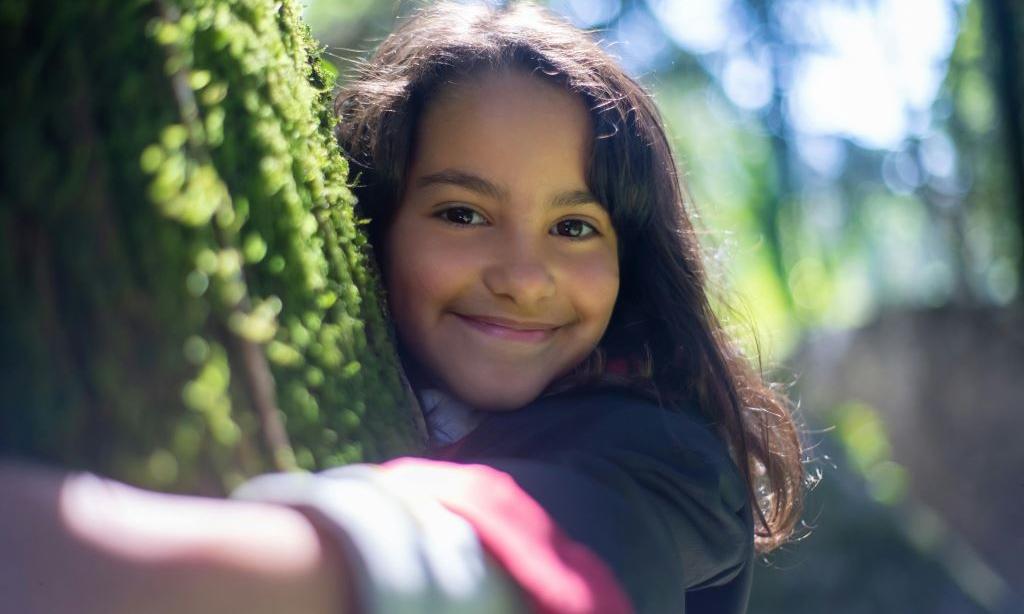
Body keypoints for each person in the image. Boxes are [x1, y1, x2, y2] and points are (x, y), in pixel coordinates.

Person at [0, 2, 806, 613]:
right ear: (374, 222)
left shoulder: (676, 461)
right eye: (462, 213)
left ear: (630, 260)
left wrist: (81, 551)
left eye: (573, 227)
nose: (525, 278)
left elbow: (513, 555)